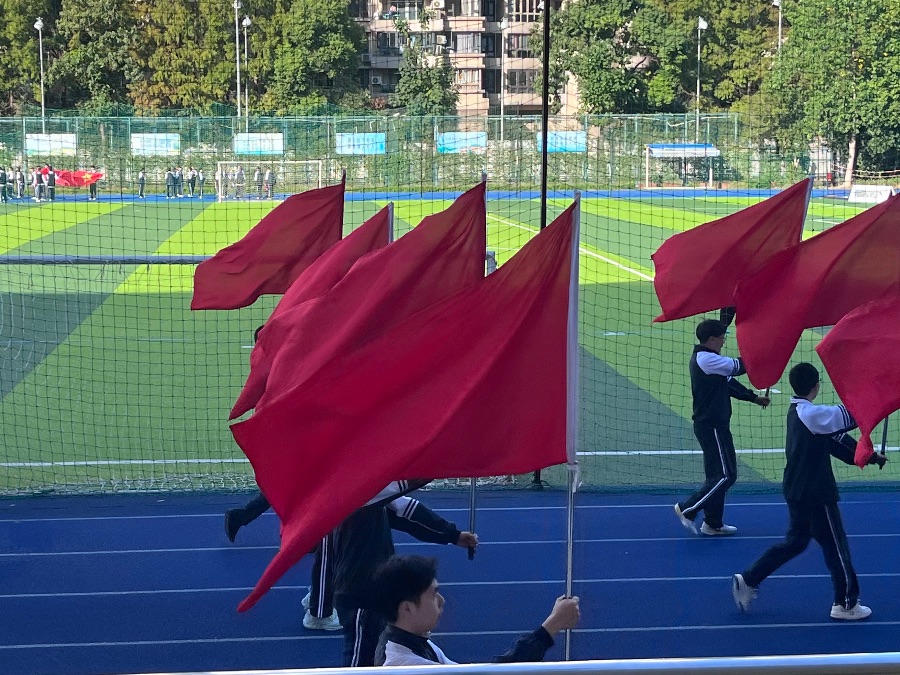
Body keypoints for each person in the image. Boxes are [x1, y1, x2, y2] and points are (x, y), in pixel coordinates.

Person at [732, 362, 887, 621]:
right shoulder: (812, 415)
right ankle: (845, 603)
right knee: (836, 546)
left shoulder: (801, 412)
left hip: (797, 488)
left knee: (796, 541)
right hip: (816, 492)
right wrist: (877, 392)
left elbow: (836, 440)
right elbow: (851, 416)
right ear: (816, 386)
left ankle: (749, 579)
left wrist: (869, 456)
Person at [224, 326, 338, 631]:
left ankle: (246, 517)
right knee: (296, 489)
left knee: (294, 488)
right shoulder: (280, 367)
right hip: (292, 436)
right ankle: (295, 537)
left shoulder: (272, 366)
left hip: (291, 435)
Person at [333, 486, 477, 667]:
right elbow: (405, 508)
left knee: (375, 647)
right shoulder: (360, 487)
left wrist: (451, 535)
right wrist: (451, 534)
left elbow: (403, 512)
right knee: (360, 661)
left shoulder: (367, 490)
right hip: (360, 590)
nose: (441, 601)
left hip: (371, 585)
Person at [372, 555, 580, 666]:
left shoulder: (413, 643)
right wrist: (552, 626)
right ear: (407, 609)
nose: (441, 601)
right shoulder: (403, 665)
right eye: (433, 594)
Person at [674, 319, 770, 536]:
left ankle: (713, 523)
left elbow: (729, 384)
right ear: (711, 339)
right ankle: (688, 509)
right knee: (726, 475)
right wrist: (765, 354)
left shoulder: (709, 360)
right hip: (712, 425)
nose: (724, 341)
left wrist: (753, 398)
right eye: (722, 337)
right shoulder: (706, 359)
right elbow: (739, 367)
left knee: (716, 475)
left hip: (712, 424)